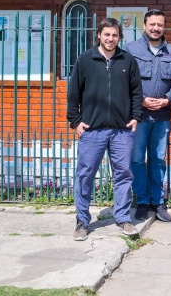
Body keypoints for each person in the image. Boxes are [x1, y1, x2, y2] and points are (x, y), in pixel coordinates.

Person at [67, 18, 143, 241]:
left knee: (123, 175)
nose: (111, 39)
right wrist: (75, 120)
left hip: (121, 130)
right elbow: (74, 94)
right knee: (85, 175)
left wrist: (136, 116)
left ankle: (122, 218)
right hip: (92, 130)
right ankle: (82, 221)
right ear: (98, 35)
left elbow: (136, 91)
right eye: (107, 34)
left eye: (115, 35)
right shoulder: (85, 59)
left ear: (120, 37)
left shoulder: (127, 60)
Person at [125, 9, 171, 223]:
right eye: (152, 24)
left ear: (164, 27)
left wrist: (168, 98)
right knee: (137, 160)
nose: (156, 28)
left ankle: (158, 202)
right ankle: (142, 201)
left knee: (159, 160)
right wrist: (140, 100)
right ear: (145, 25)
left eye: (160, 24)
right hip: (138, 115)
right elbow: (124, 81)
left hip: (162, 116)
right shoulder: (130, 50)